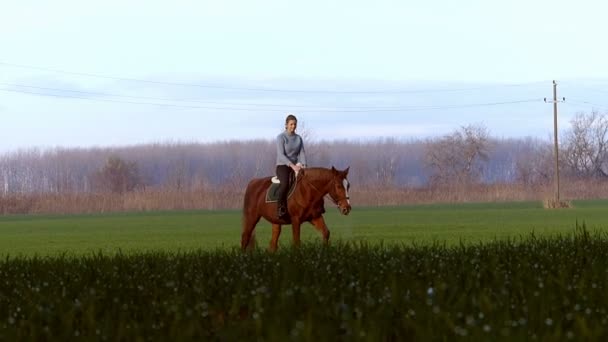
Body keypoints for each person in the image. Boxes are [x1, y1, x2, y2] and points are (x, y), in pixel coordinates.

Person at [275, 114, 307, 219]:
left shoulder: (299, 139)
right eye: (291, 124)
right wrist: (292, 166)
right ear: (286, 125)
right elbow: (281, 155)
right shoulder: (281, 138)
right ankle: (281, 208)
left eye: (295, 124)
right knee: (285, 184)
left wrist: (304, 165)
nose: (293, 126)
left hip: (296, 166)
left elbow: (302, 153)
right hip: (283, 166)